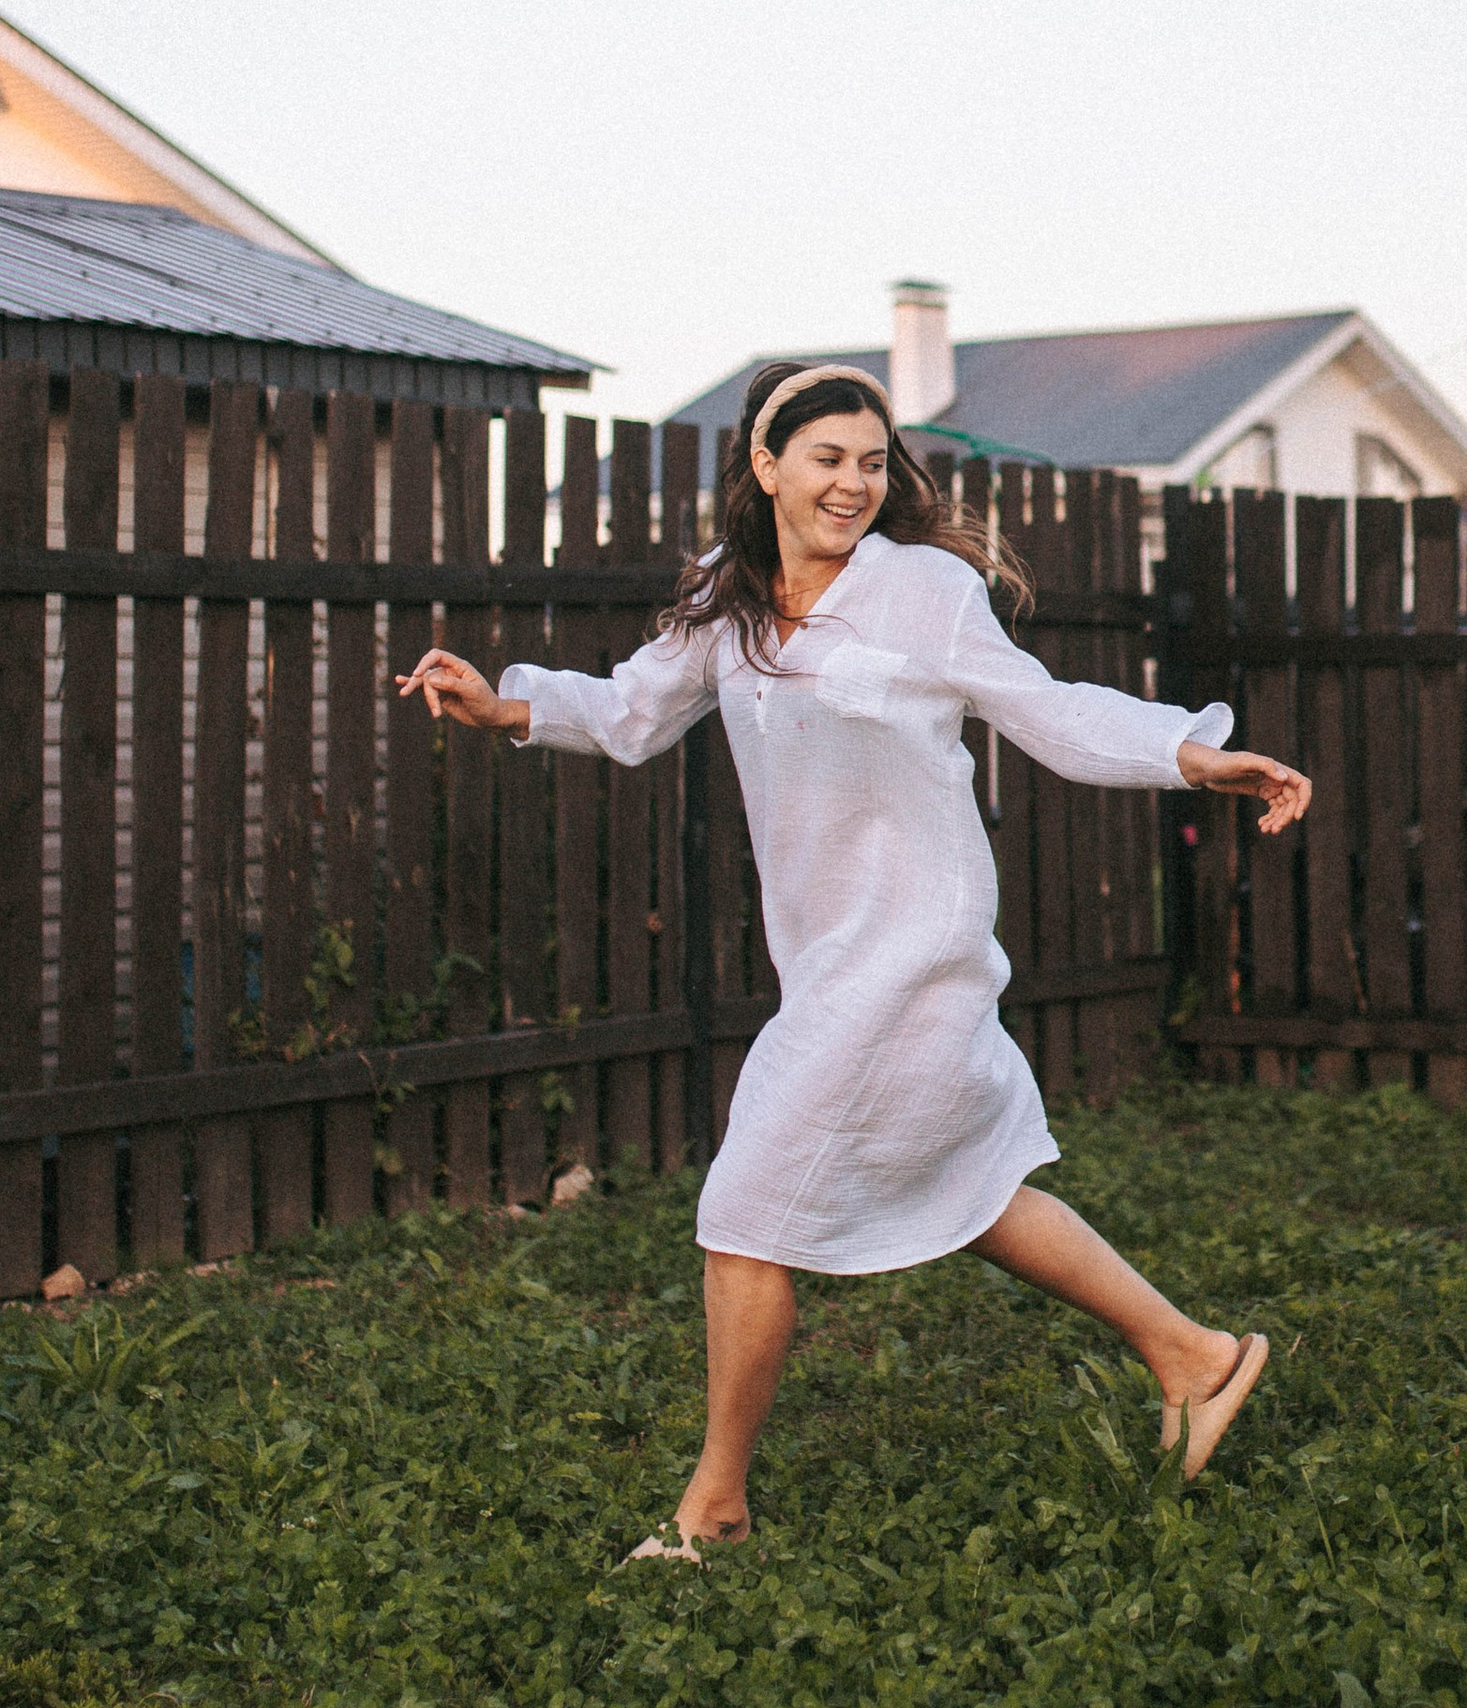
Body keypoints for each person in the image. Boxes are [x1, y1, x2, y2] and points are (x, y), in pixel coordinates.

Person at [399, 363, 1309, 1555]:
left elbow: (1046, 709)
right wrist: (502, 707)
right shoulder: (728, 596)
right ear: (766, 465)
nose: (854, 484)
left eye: (873, 463)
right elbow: (630, 710)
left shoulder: (922, 588)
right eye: (829, 458)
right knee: (972, 1192)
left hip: (917, 948)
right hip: (828, 953)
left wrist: (1193, 756)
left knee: (743, 1217)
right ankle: (1192, 1357)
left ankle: (714, 1511)